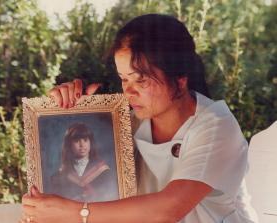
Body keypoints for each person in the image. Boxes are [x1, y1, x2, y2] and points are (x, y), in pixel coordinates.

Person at [21, 14, 258, 223]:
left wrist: (77, 214)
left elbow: (168, 210)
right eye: (124, 79)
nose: (129, 92)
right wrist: (75, 110)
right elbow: (102, 198)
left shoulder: (216, 125)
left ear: (180, 78)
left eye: (141, 80)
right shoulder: (127, 124)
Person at [50, 122, 118, 202]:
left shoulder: (104, 172)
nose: (82, 145)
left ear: (90, 143)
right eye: (77, 141)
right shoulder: (60, 176)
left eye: (85, 140)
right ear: (69, 145)